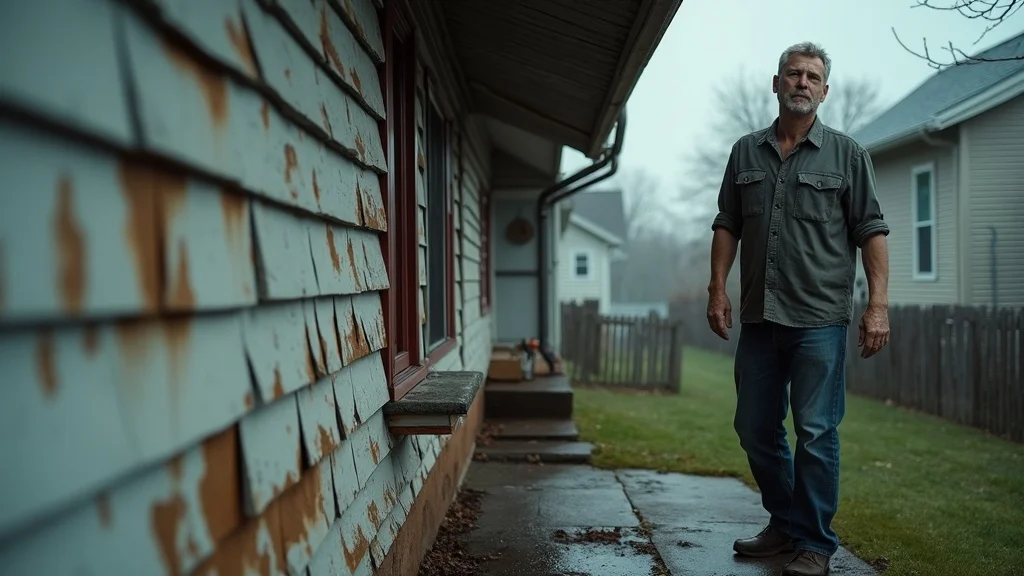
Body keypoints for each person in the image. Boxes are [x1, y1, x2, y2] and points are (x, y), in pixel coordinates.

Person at [706, 41, 891, 576]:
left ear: (824, 91)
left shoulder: (847, 155)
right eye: (793, 74)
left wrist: (877, 305)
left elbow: (871, 230)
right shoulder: (745, 152)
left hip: (820, 320)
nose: (802, 83)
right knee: (754, 427)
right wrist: (717, 289)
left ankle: (814, 543)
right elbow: (727, 223)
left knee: (815, 433)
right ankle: (786, 523)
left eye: (812, 77)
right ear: (776, 83)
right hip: (760, 317)